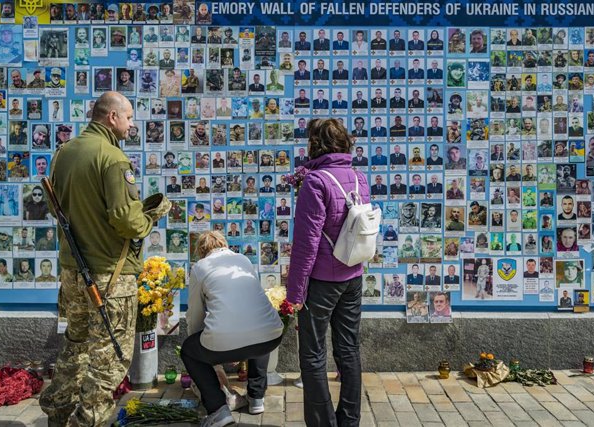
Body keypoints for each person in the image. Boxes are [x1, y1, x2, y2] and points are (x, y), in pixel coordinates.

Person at [39, 92, 168, 426]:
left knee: (76, 344)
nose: (131, 124)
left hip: (73, 271)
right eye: (128, 117)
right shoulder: (112, 158)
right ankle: (90, 418)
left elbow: (56, 207)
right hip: (110, 274)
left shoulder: (63, 153)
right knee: (109, 355)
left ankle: (58, 410)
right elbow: (128, 221)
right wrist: (152, 216)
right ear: (112, 117)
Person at [287, 118, 369, 426]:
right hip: (353, 276)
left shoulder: (316, 182)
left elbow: (306, 243)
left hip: (322, 281)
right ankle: (349, 420)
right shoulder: (359, 177)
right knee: (348, 349)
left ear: (314, 145)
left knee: (313, 354)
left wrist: (295, 293)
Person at [182, 231, 283, 426]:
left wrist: (205, 347)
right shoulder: (242, 259)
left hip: (224, 340)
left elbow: (195, 315)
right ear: (224, 244)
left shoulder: (199, 267)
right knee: (258, 330)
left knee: (189, 350)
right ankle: (256, 398)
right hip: (272, 334)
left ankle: (218, 410)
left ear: (201, 251)